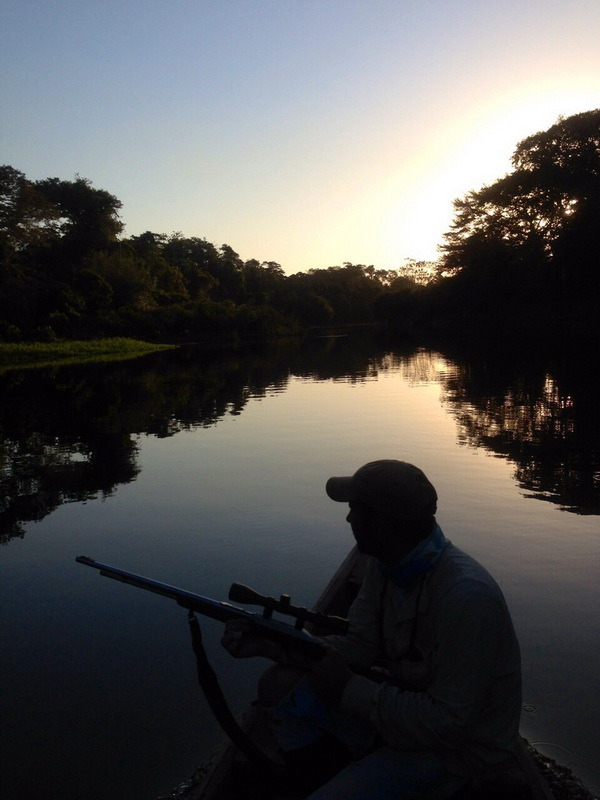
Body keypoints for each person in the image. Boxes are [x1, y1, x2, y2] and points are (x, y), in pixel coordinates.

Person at [222, 460, 522, 799]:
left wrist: (348, 689)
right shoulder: (386, 566)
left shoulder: (467, 597)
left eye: (353, 509)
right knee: (279, 685)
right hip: (408, 716)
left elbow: (449, 724)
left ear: (378, 522)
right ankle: (323, 779)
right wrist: (270, 645)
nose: (348, 518)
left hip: (459, 754)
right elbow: (360, 645)